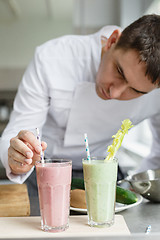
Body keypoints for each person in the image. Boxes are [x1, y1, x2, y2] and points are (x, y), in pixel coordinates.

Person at [0, 14, 160, 196]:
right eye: (119, 72)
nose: (114, 93)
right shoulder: (52, 58)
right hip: (43, 172)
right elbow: (18, 132)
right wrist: (19, 157)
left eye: (136, 91)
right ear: (112, 41)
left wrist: (141, 186)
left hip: (104, 176)